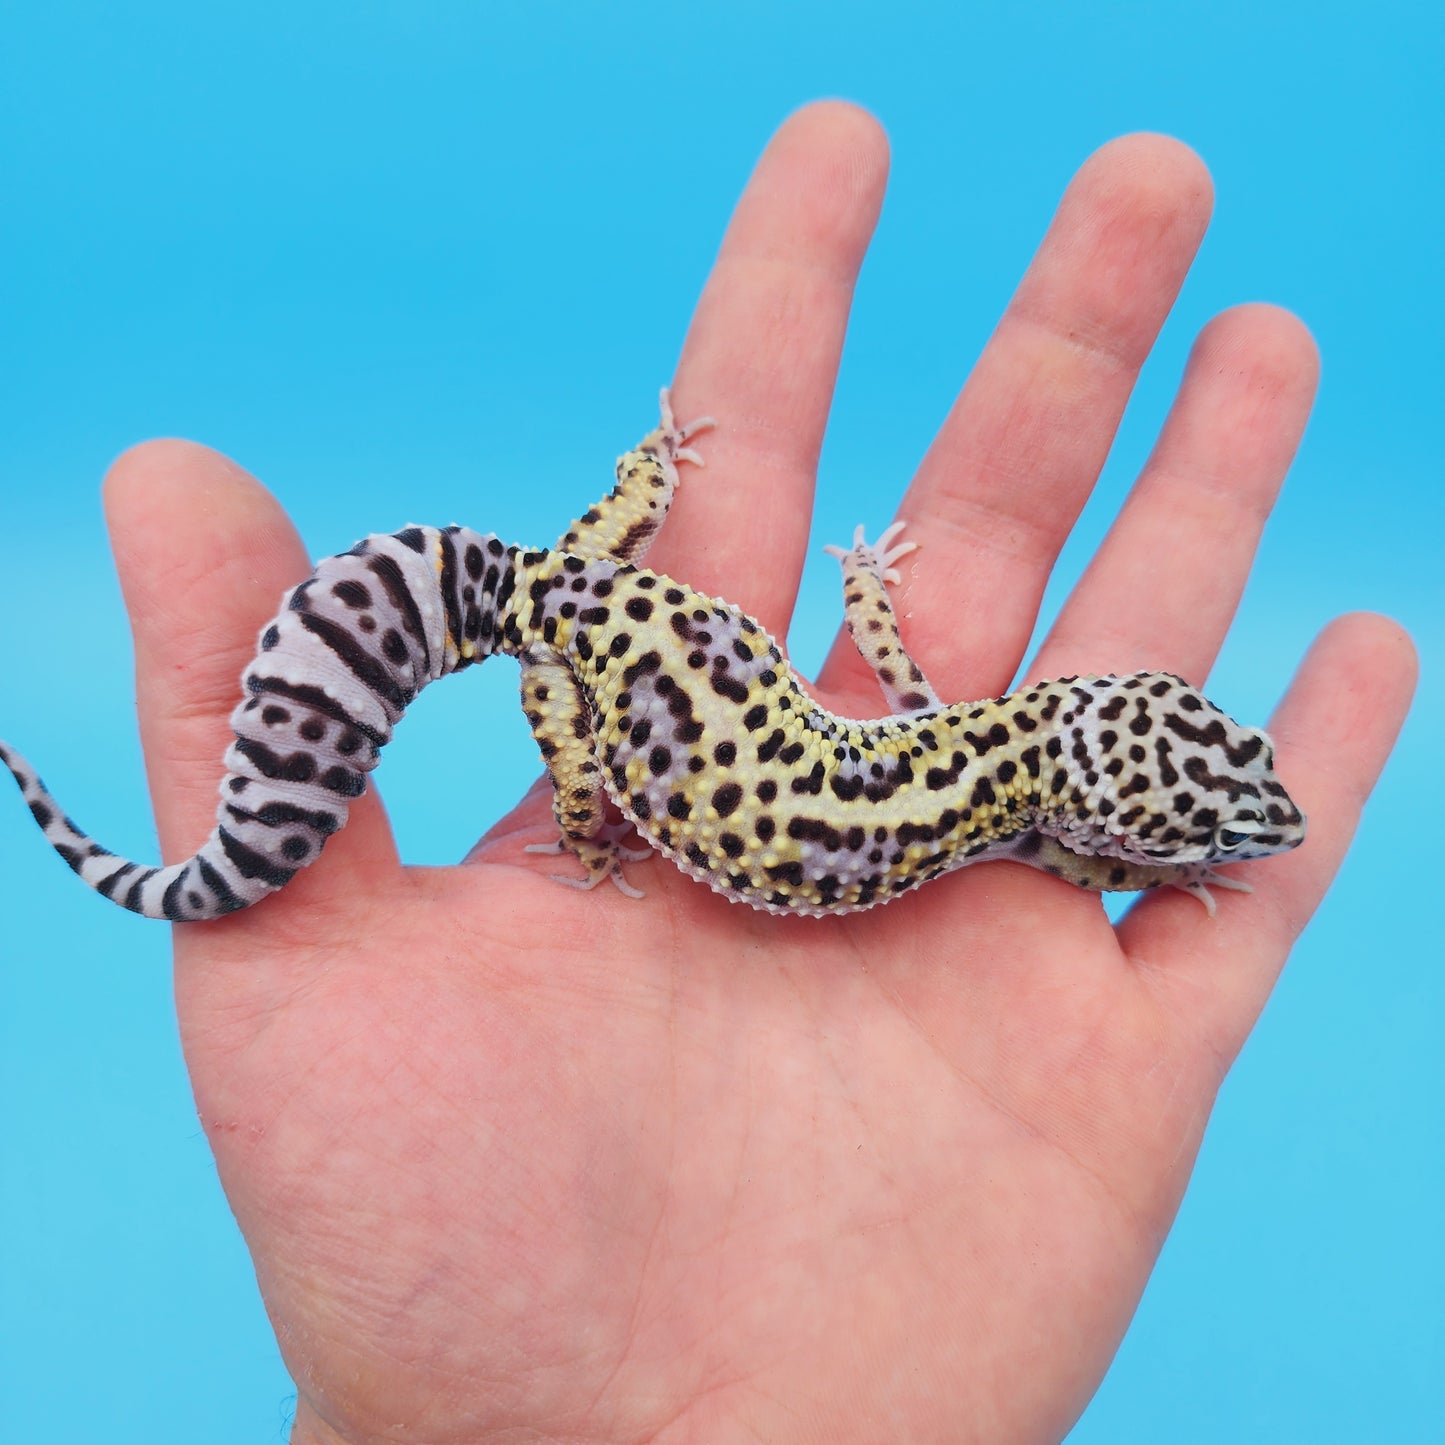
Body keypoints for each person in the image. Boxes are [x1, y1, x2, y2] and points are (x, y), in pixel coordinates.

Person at [103, 102, 1414, 1442]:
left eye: (1223, 781)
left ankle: (603, 570)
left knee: (573, 622)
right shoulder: (1017, 813)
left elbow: (908, 677)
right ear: (1100, 767)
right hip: (577, 638)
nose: (1253, 802)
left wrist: (779, 546)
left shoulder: (974, 746)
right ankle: (557, 813)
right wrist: (585, 819)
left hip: (590, 593)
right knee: (571, 724)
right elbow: (1063, 844)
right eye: (1224, 781)